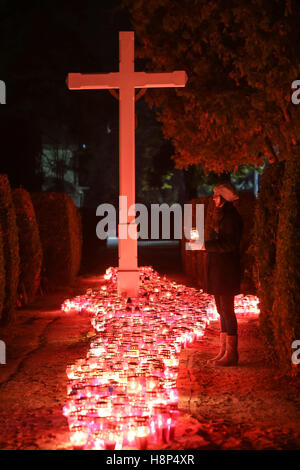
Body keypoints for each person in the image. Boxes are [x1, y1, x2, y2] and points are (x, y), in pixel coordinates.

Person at [200, 182, 243, 366]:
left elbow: (230, 244)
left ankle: (231, 354)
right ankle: (224, 351)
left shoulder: (231, 218)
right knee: (221, 311)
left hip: (226, 270)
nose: (213, 198)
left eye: (216, 195)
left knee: (227, 311)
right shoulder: (222, 216)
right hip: (219, 269)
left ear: (224, 198)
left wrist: (206, 246)